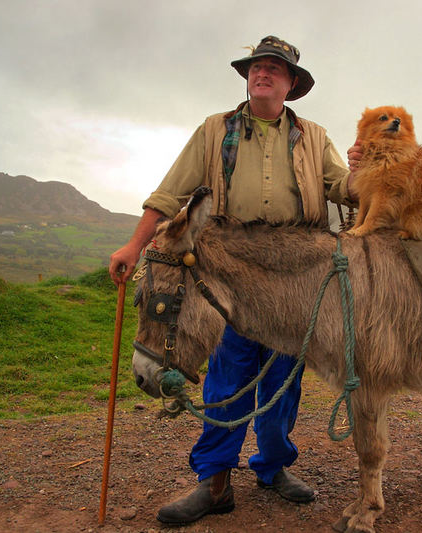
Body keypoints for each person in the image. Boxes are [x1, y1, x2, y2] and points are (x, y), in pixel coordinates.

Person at [109, 35, 361, 526]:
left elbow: (340, 187)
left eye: (273, 68)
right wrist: (132, 246)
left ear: (291, 83)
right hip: (231, 273)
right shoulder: (213, 130)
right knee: (229, 373)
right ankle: (215, 480)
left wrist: (368, 169)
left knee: (283, 382)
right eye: (255, 67)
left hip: (294, 276)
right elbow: (168, 194)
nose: (261, 73)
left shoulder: (313, 135)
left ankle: (272, 468)